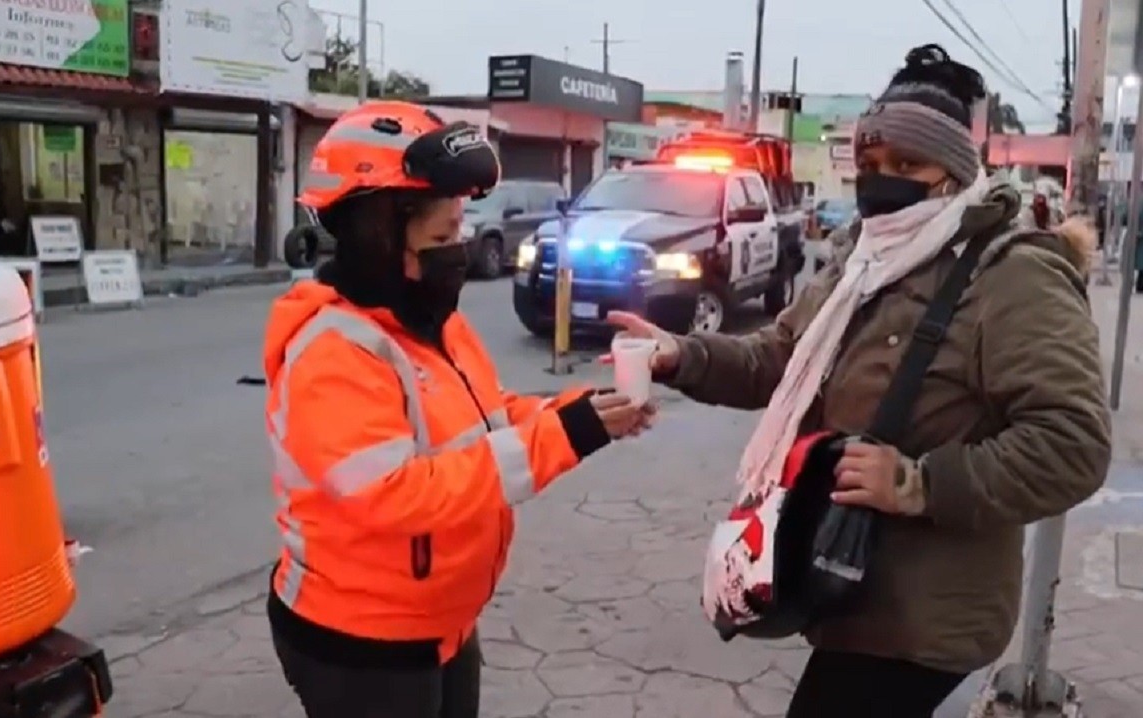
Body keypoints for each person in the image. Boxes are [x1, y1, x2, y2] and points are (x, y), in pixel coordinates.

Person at [609, 45, 1110, 717]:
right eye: (871, 165)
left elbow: (1073, 444)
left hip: (926, 618)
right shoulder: (863, 258)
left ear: (954, 172)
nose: (884, 182)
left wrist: (917, 483)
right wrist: (681, 355)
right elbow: (779, 358)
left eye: (908, 165)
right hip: (848, 583)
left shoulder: (1011, 273)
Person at [263, 101, 654, 718]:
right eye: (442, 238)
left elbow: (485, 417)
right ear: (376, 237)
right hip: (363, 644)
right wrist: (564, 435)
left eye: (461, 231)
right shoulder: (332, 352)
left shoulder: (429, 323)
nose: (460, 251)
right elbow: (395, 494)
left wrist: (586, 411)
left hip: (439, 625)